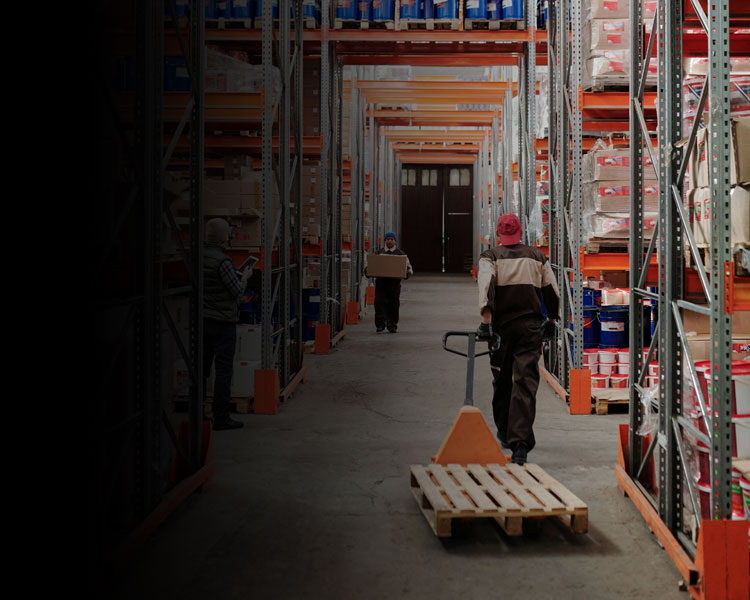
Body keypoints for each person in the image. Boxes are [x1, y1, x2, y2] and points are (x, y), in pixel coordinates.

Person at [477, 213, 560, 464]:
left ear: (498, 233)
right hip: (529, 328)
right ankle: (520, 443)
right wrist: (552, 320)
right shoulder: (537, 256)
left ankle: (504, 432)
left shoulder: (490, 257)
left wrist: (485, 322)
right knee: (525, 381)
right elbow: (551, 290)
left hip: (501, 330)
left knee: (502, 379)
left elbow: (486, 287)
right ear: (520, 232)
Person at [203, 218, 252, 431]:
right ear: (224, 237)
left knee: (201, 369)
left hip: (203, 320)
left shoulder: (200, 257)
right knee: (223, 371)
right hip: (222, 322)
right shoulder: (222, 262)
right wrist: (245, 277)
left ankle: (199, 414)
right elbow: (237, 291)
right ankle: (221, 417)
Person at [372, 232, 413, 333]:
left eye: (391, 239)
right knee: (379, 303)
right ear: (385, 241)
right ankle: (380, 325)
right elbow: (370, 266)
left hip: (394, 285)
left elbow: (409, 268)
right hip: (381, 284)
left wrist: (407, 273)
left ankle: (392, 325)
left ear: (395, 241)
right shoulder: (378, 253)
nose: (390, 241)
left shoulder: (401, 254)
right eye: (388, 239)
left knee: (393, 304)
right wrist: (368, 271)